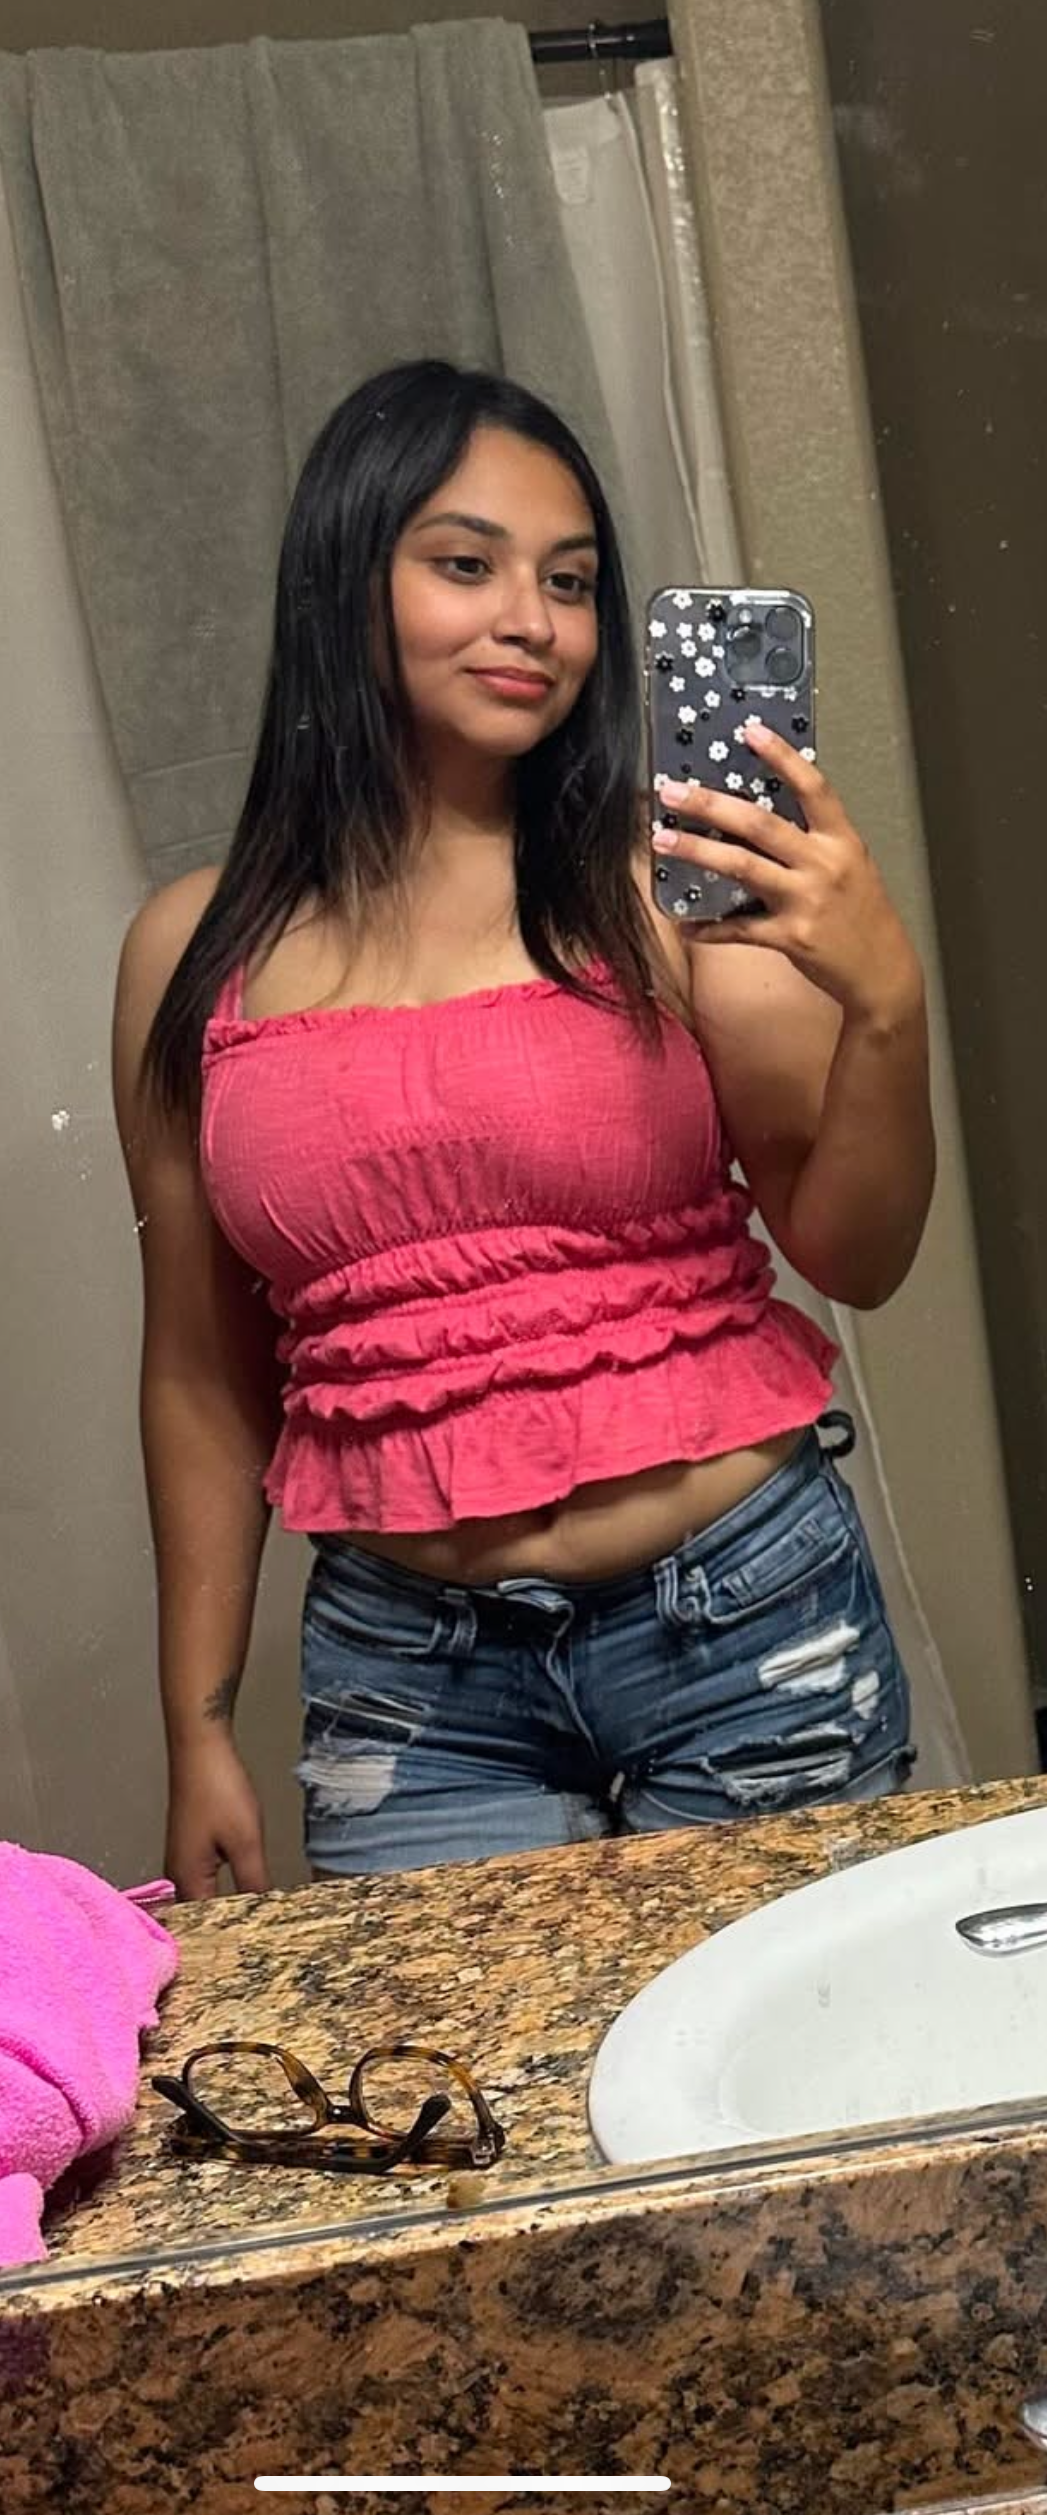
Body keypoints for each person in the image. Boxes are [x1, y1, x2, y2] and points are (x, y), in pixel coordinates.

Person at [112, 359, 933, 1898]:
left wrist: (887, 1007)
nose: (532, 622)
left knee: (784, 2046)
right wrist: (195, 1727)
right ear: (343, 583)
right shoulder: (191, 953)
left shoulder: (665, 885)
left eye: (567, 582)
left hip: (742, 1619)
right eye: (466, 564)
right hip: (410, 1683)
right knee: (462, 2064)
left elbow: (856, 1254)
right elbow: (200, 1370)